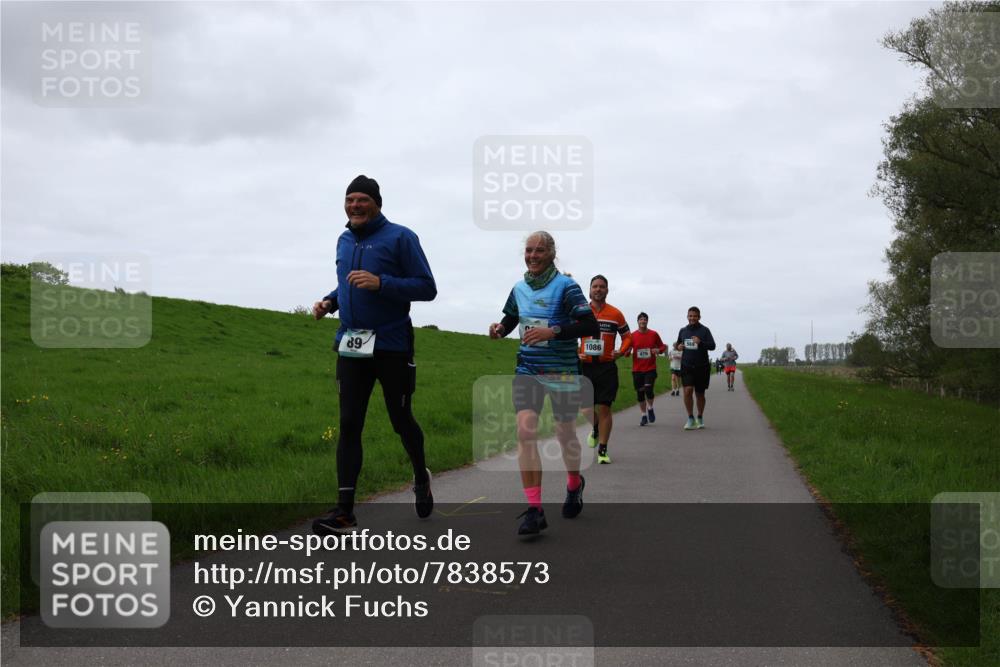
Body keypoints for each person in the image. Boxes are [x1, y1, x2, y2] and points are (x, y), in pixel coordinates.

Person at [311, 175, 437, 535]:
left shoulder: (401, 237)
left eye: (361, 200)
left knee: (400, 419)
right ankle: (344, 513)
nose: (354, 206)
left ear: (376, 203)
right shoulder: (344, 238)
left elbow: (427, 287)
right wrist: (330, 301)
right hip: (352, 345)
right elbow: (347, 281)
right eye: (349, 200)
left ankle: (419, 475)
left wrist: (382, 283)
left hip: (392, 345)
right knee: (350, 423)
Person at [489, 232, 599, 536]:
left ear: (552, 253)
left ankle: (574, 483)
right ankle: (535, 510)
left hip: (563, 371)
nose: (532, 255)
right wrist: (499, 329)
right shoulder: (519, 287)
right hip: (527, 369)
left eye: (539, 251)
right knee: (525, 432)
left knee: (564, 433)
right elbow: (511, 318)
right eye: (528, 250)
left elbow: (589, 325)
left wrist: (554, 331)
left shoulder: (566, 286)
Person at [578, 275, 631, 464]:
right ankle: (596, 428)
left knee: (605, 408)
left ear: (607, 290)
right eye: (595, 286)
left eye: (602, 287)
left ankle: (603, 450)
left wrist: (621, 351)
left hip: (607, 367)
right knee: (585, 408)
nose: (598, 289)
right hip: (585, 367)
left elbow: (627, 337)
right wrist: (577, 352)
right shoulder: (580, 312)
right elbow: (567, 336)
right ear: (590, 290)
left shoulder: (616, 314)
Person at [676, 306, 716, 430]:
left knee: (700, 394)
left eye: (695, 316)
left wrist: (701, 342)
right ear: (687, 317)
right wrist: (679, 346)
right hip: (687, 365)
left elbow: (713, 346)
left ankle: (700, 417)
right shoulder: (683, 330)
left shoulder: (705, 330)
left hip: (701, 366)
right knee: (687, 391)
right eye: (690, 316)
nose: (692, 318)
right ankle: (690, 418)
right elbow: (678, 343)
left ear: (699, 317)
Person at [630, 312, 667, 425]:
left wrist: (658, 350)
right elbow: (626, 348)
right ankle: (643, 415)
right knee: (640, 394)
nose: (643, 321)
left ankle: (650, 408)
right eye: (641, 319)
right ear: (638, 321)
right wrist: (626, 352)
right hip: (637, 369)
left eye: (645, 319)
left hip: (650, 368)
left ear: (647, 321)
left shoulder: (653, 334)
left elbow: (663, 346)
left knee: (648, 390)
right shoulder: (632, 335)